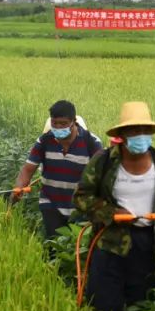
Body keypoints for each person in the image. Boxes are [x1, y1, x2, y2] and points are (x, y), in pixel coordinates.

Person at [74, 101, 155, 311]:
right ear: (122, 135)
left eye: (145, 131)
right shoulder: (103, 162)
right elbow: (82, 197)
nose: (140, 137)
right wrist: (112, 214)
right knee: (104, 307)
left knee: (140, 305)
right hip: (109, 244)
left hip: (147, 246)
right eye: (134, 131)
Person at [14, 100, 102, 240]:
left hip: (81, 207)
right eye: (55, 123)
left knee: (76, 246)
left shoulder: (91, 142)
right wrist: (19, 187)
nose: (58, 127)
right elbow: (27, 170)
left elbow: (101, 175)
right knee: (54, 244)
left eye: (63, 123)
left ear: (73, 121)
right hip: (51, 203)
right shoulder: (44, 141)